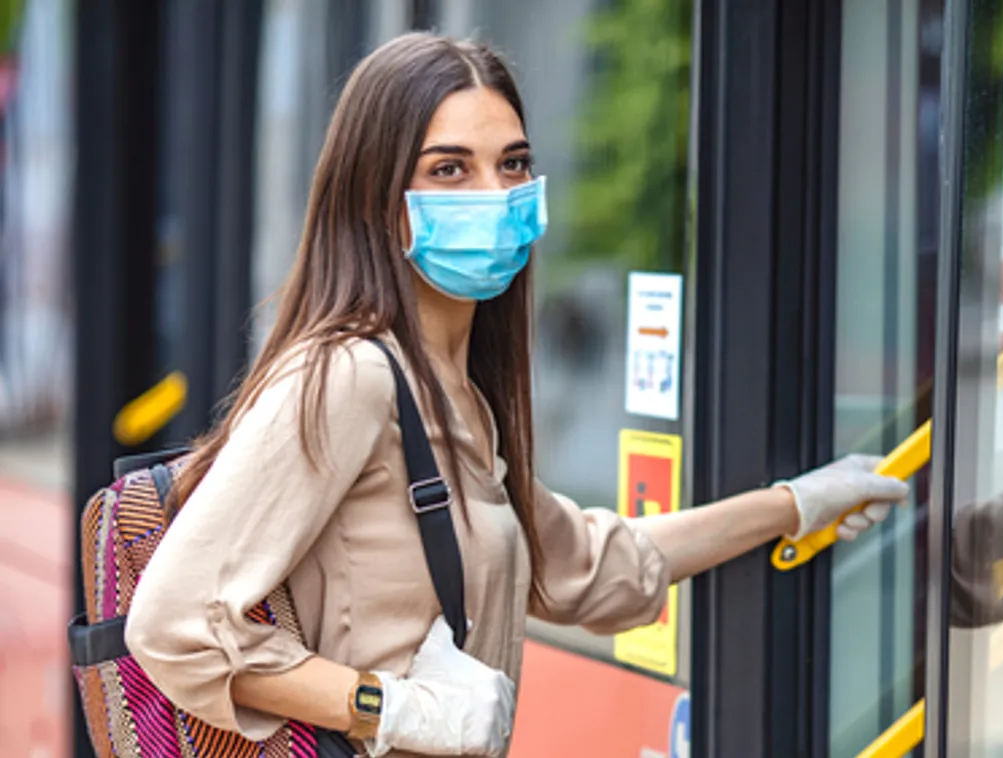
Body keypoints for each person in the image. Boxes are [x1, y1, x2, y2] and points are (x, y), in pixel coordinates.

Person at [122, 32, 908, 758]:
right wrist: (391, 707)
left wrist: (795, 505)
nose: (494, 194)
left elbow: (590, 567)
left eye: (513, 164)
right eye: (449, 169)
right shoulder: (347, 376)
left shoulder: (455, 399)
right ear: (376, 197)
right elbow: (173, 622)